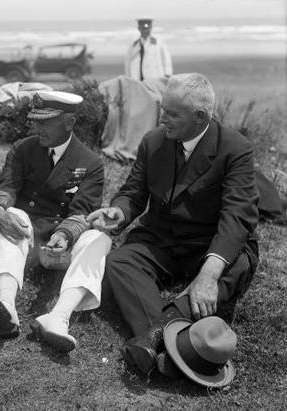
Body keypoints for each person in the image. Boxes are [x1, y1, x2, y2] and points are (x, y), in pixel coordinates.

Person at [87, 73, 259, 376]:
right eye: (162, 108)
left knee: (235, 265)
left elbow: (237, 216)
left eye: (171, 113)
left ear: (200, 117)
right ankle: (176, 345)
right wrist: (120, 212)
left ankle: (152, 339)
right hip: (161, 240)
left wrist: (208, 273)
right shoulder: (153, 141)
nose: (161, 117)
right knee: (120, 261)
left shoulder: (235, 148)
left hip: (208, 245)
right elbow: (133, 192)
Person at [0, 90, 111, 352]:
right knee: (14, 214)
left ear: (70, 122)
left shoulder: (90, 162)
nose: (38, 128)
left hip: (62, 247)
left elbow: (82, 210)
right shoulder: (22, 149)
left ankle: (59, 317)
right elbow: (7, 187)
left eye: (46, 122)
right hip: (26, 240)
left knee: (99, 238)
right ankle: (6, 304)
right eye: (36, 121)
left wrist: (64, 236)